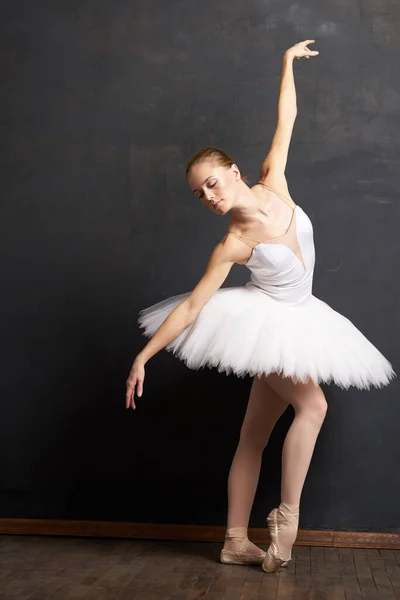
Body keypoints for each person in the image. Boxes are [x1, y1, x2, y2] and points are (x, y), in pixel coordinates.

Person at [125, 40, 396, 573]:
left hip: (303, 316)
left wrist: (286, 63)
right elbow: (191, 309)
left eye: (211, 183)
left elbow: (286, 118)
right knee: (313, 406)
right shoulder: (232, 243)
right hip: (267, 324)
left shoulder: (275, 178)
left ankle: (232, 540)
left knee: (253, 435)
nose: (208, 196)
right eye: (199, 194)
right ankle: (288, 518)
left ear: (233, 171)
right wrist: (144, 356)